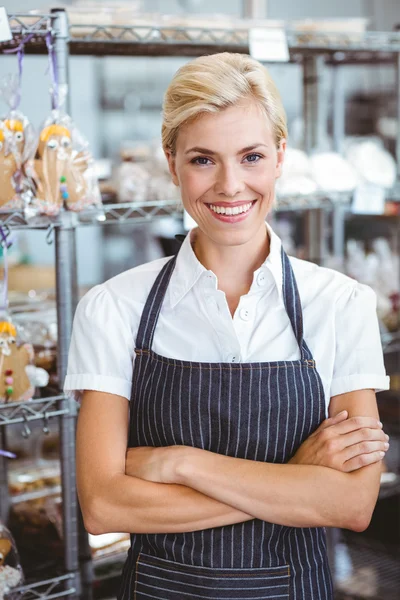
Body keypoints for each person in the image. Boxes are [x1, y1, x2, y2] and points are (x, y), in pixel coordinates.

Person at [64, 53, 390, 600]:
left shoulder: (341, 303)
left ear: (281, 156)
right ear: (171, 163)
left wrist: (176, 463)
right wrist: (295, 478)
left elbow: (350, 505)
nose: (230, 185)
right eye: (202, 160)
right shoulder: (112, 307)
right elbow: (104, 506)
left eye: (252, 156)